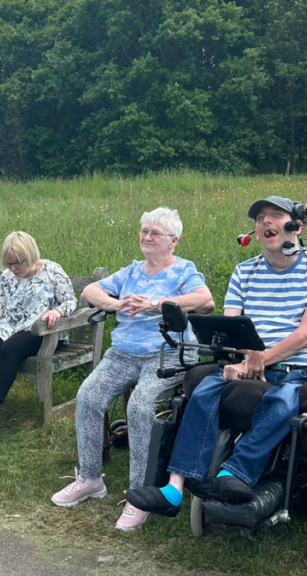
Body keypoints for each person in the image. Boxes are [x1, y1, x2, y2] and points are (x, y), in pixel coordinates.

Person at [125, 196, 307, 519]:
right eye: (260, 219)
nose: (266, 222)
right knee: (200, 394)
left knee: (282, 402)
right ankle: (174, 488)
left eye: (275, 215)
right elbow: (229, 327)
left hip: (300, 367)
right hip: (248, 362)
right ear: (254, 233)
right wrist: (245, 358)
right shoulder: (244, 272)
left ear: (295, 226)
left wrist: (262, 359)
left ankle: (234, 473)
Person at [50, 207, 215, 532]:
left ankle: (139, 495)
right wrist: (115, 304)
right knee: (88, 397)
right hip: (123, 353)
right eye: (144, 231)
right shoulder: (131, 271)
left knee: (140, 408)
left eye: (155, 233)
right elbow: (89, 291)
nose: (147, 237)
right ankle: (91, 479)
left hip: (167, 353)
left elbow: (205, 300)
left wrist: (156, 304)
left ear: (173, 241)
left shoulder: (184, 270)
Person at [0, 231, 77, 433]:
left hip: (42, 332)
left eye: (18, 263)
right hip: (11, 327)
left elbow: (70, 300)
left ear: (30, 256)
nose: (13, 269)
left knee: (9, 349)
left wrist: (57, 311)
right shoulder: (6, 278)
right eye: (9, 264)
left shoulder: (53, 271)